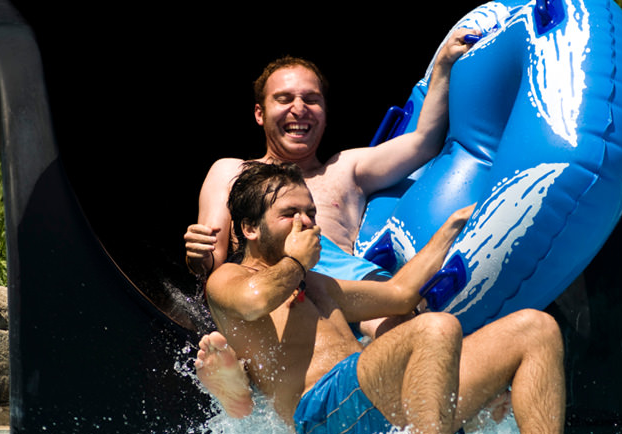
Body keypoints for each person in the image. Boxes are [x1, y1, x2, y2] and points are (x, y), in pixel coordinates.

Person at [195, 162, 566, 434]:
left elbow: (401, 294)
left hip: (380, 402)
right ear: (250, 228)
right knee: (436, 328)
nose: (306, 222)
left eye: (310, 212)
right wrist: (295, 262)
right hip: (322, 419)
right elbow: (255, 302)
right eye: (290, 213)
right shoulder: (228, 279)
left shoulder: (317, 283)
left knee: (536, 329)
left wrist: (454, 225)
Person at [184, 28, 480, 284]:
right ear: (260, 114)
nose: (299, 109)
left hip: (340, 305)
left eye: (311, 100)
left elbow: (422, 143)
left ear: (325, 115)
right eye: (284, 99)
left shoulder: (345, 169)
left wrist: (443, 65)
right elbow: (211, 261)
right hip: (264, 304)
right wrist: (198, 256)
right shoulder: (231, 172)